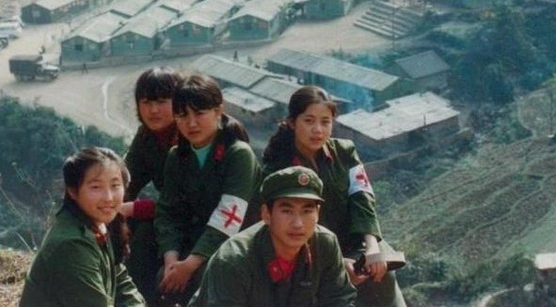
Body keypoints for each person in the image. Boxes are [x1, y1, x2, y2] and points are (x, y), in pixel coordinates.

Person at [263, 86, 407, 307]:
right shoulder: (277, 168)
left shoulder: (345, 152)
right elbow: (282, 228)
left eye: (325, 122)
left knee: (382, 275)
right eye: (309, 121)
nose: (318, 130)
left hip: (356, 242)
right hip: (308, 254)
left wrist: (372, 247)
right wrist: (336, 263)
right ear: (292, 122)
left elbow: (362, 198)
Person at [154, 73, 262, 306]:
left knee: (206, 278)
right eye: (182, 115)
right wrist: (171, 259)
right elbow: (168, 212)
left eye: (199, 113)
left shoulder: (238, 154)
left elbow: (229, 216)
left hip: (238, 246)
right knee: (162, 277)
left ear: (218, 111)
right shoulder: (177, 157)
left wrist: (189, 265)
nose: (191, 123)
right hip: (194, 245)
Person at [192, 166, 356, 306]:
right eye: (287, 211)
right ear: (266, 214)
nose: (298, 224)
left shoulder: (325, 244)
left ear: (318, 213)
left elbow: (340, 300)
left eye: (307, 211)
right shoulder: (234, 259)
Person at [20, 147, 145, 307]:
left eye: (115, 185)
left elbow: (122, 283)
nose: (108, 197)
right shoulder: (71, 244)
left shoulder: (98, 224)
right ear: (73, 191)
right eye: (96, 187)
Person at [119, 67, 182, 304]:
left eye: (162, 102)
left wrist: (134, 208)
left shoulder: (190, 133)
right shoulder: (147, 137)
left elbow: (186, 203)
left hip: (195, 220)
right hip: (167, 216)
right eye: (146, 102)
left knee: (145, 236)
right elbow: (126, 179)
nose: (153, 110)